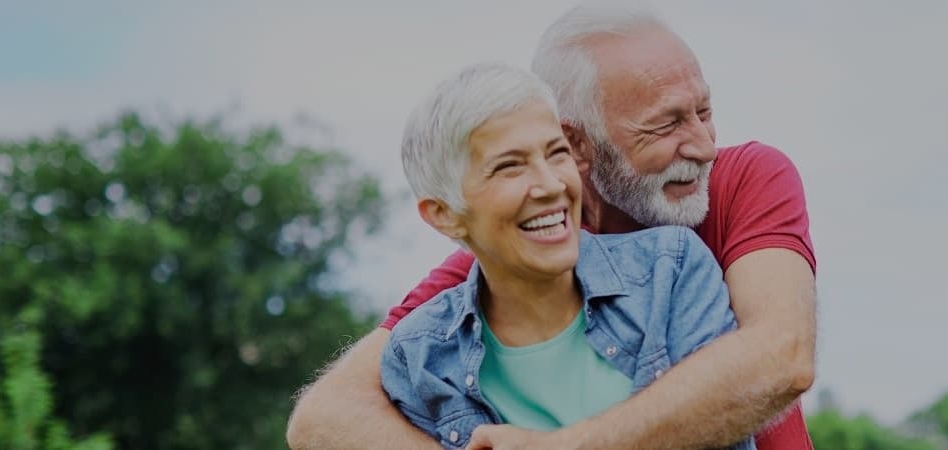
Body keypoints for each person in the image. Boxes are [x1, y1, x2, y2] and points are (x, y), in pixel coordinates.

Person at [287, 3, 818, 449]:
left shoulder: (742, 182)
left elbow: (782, 356)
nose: (703, 146)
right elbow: (324, 415)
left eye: (704, 111)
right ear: (581, 142)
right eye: (667, 123)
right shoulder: (509, 250)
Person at [382, 63, 753, 450]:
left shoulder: (669, 268)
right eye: (509, 167)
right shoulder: (419, 356)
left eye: (556, 153)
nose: (551, 184)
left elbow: (727, 412)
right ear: (444, 215)